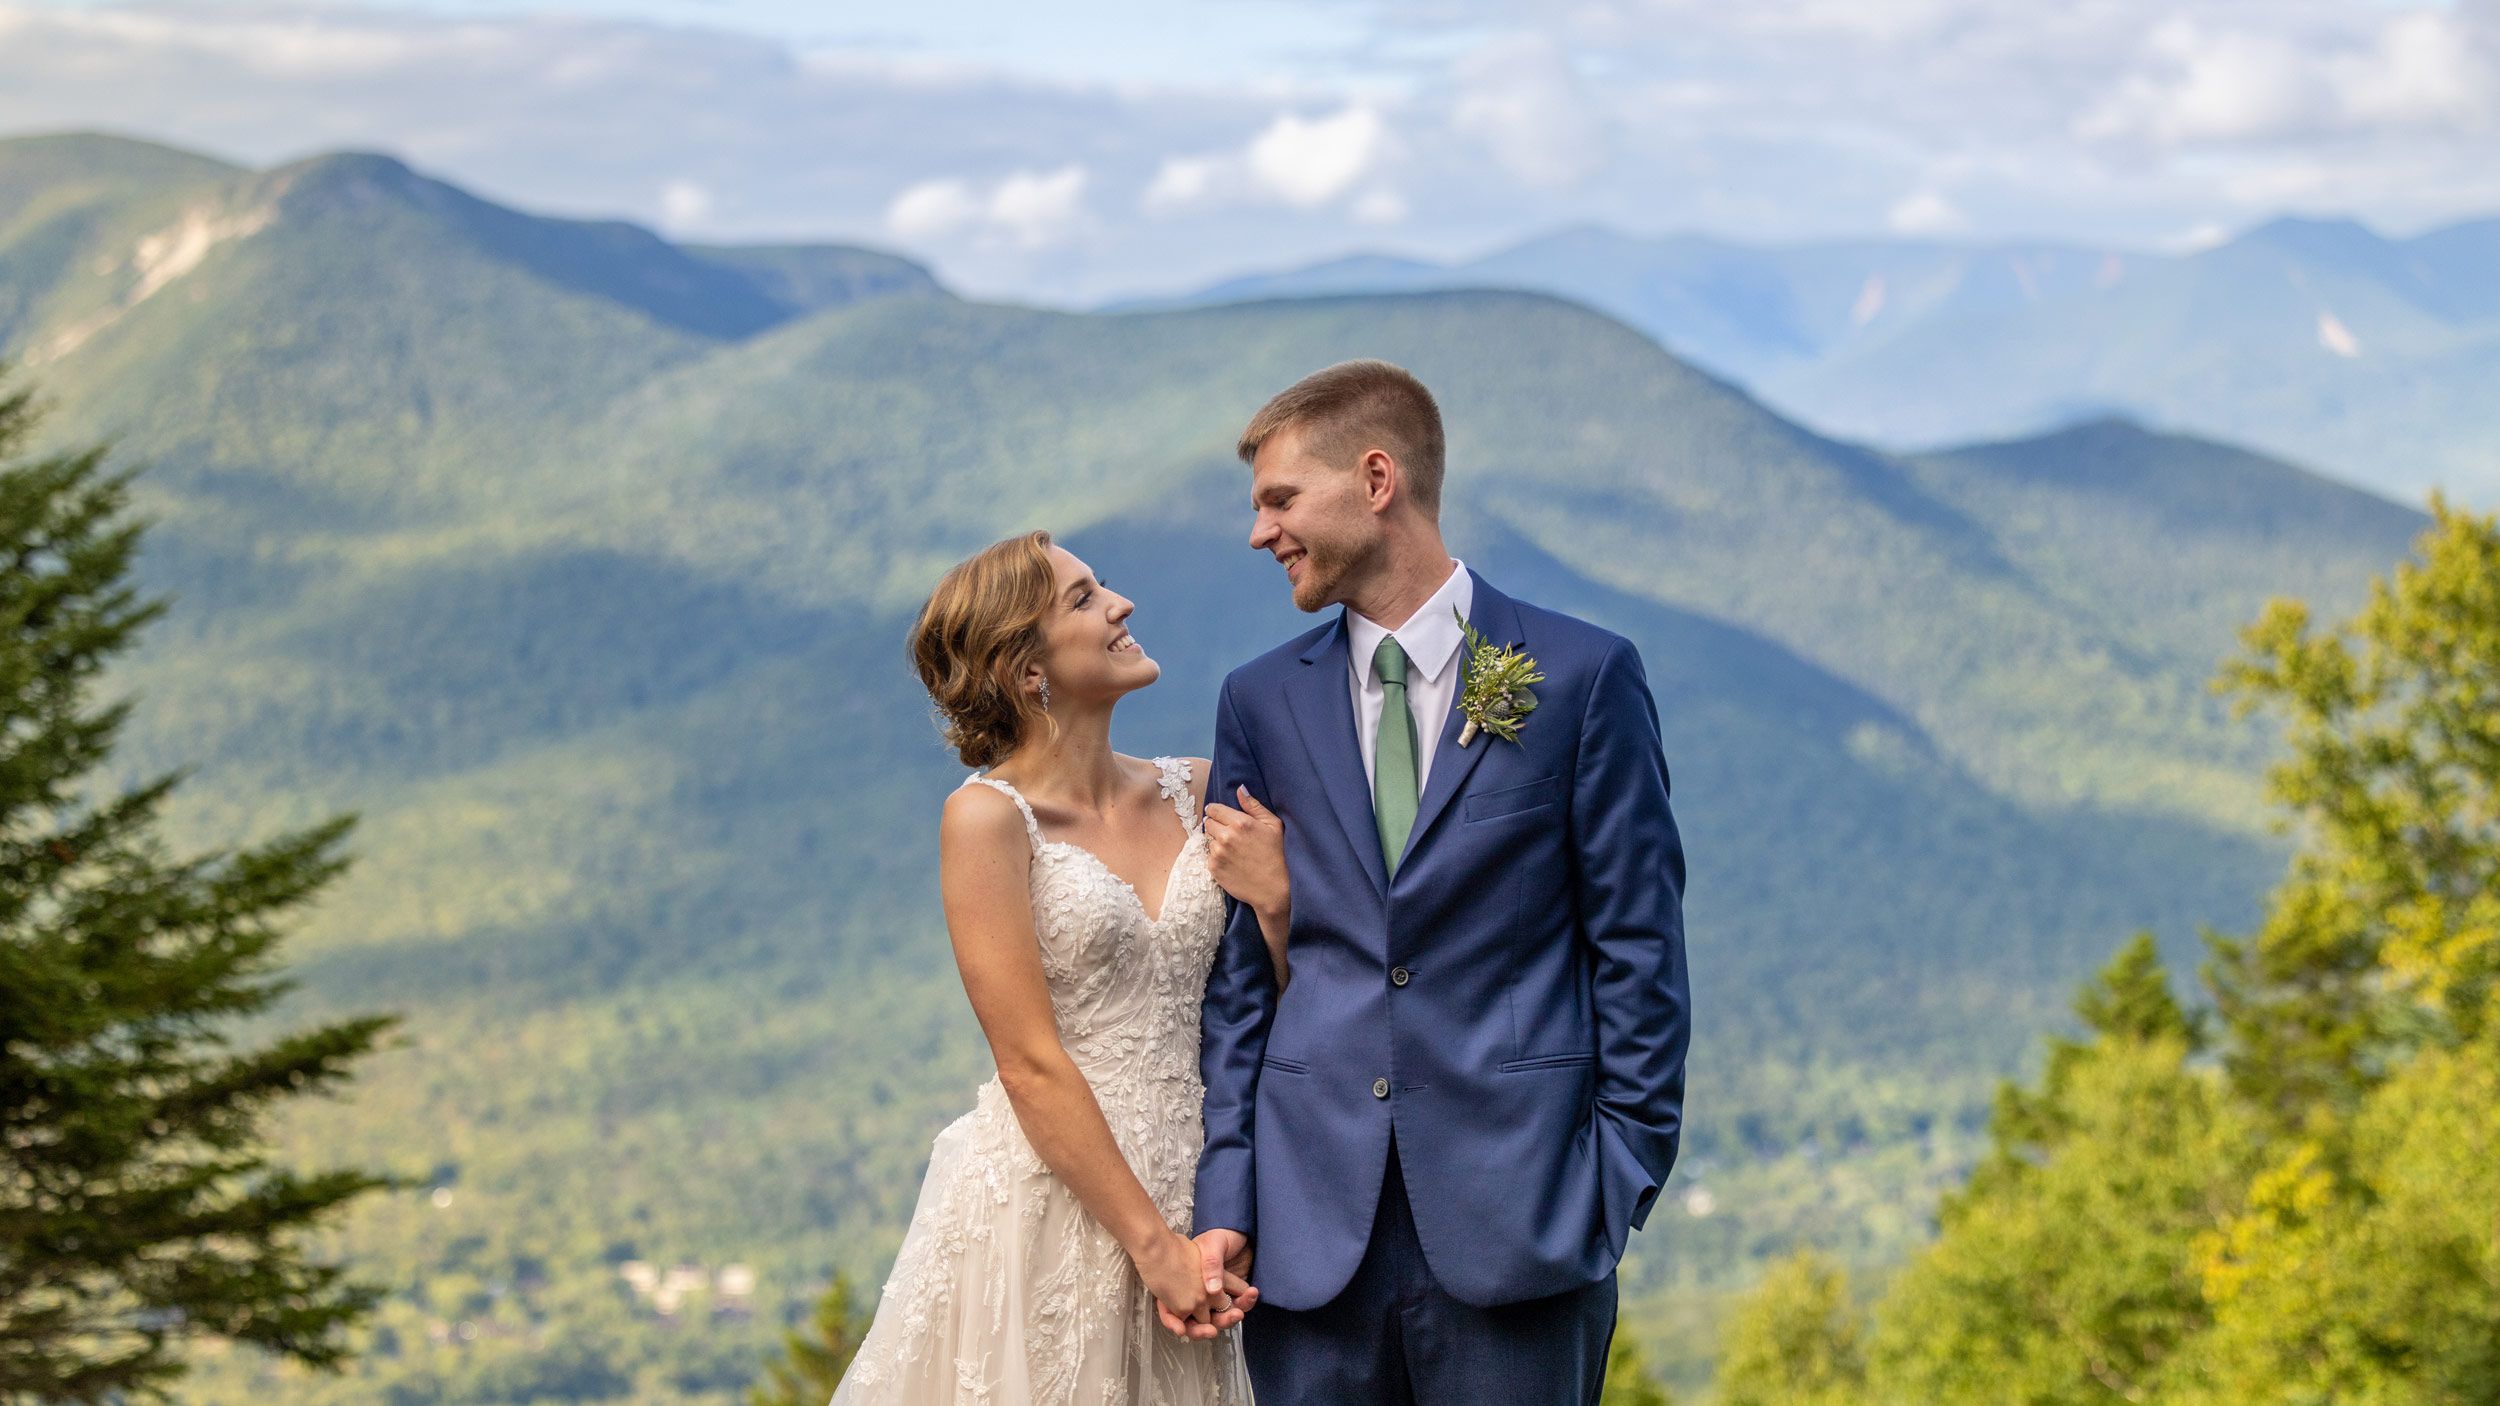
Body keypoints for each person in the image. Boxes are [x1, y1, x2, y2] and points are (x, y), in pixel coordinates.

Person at [1192, 359, 1692, 1404]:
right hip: (1307, 1238)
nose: (1259, 532)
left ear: (1377, 479)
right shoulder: (1258, 702)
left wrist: (1609, 1190)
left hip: (1524, 1231)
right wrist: (1228, 1191)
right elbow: (1237, 986)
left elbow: (1638, 951)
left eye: (1279, 499)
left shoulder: (1581, 675)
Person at [830, 530, 1287, 1403]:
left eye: (1102, 586)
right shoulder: (986, 821)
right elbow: (1030, 1064)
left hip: (1205, 1196)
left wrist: (1277, 904)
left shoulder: (1198, 788)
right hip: (1055, 1204)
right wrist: (1154, 1250)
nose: (1122, 606)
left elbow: (1268, 996)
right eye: (1083, 599)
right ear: (1024, 669)